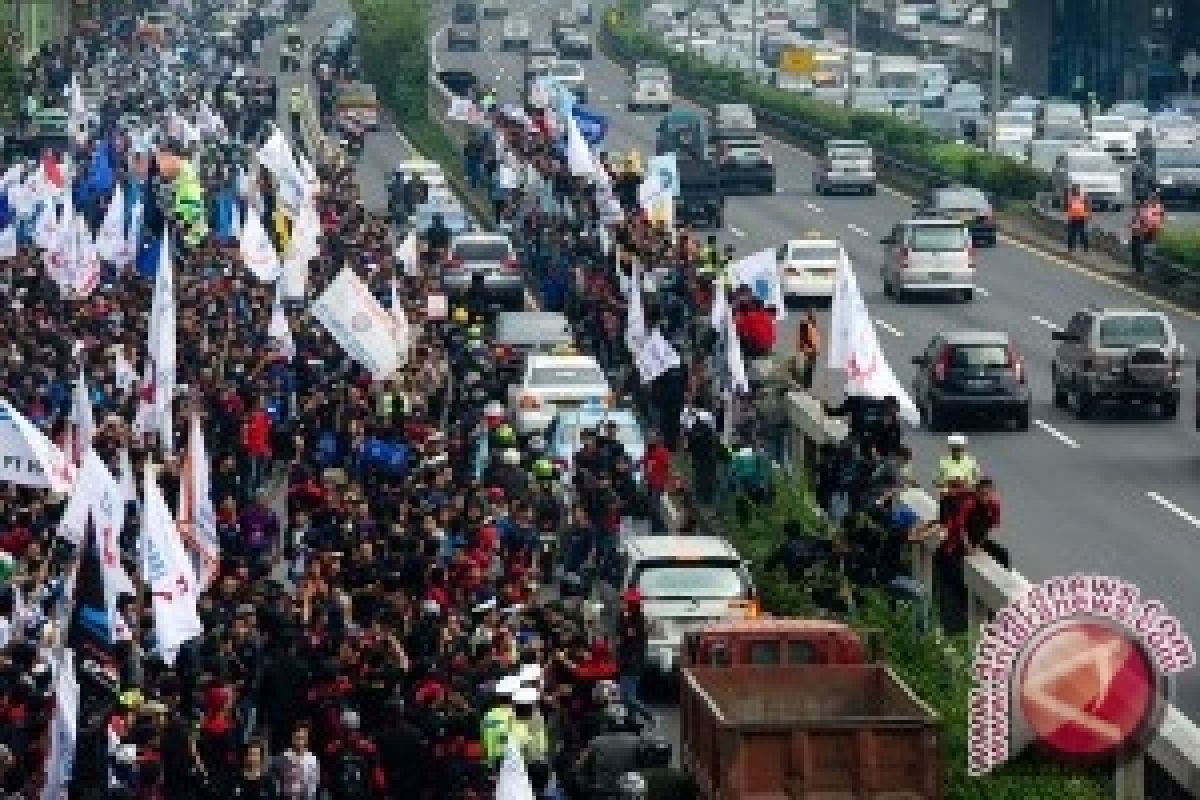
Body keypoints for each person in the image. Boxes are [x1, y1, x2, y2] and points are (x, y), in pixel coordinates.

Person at [795, 308, 821, 390]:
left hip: (811, 352)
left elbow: (802, 339)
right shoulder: (807, 325)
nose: (814, 317)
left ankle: (804, 389)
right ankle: (804, 389)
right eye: (812, 315)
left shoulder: (811, 325)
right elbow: (803, 339)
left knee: (808, 374)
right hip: (809, 352)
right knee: (807, 374)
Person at [1064, 184, 1090, 253]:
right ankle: (1070, 248)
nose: (1076, 190)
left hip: (1081, 218)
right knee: (1071, 234)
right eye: (1075, 189)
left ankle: (1085, 248)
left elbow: (1087, 206)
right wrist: (1068, 215)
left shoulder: (1083, 197)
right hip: (1073, 218)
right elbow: (1067, 207)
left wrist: (1087, 215)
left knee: (1082, 234)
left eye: (1077, 189)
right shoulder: (1070, 197)